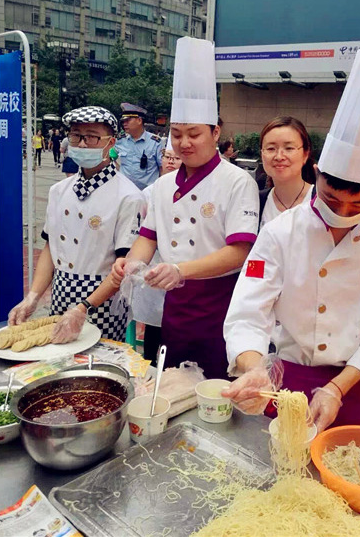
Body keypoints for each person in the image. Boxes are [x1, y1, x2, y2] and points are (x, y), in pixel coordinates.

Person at [222, 50, 360, 434]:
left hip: (354, 379)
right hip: (284, 376)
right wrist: (254, 368)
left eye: (359, 203)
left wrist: (336, 389)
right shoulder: (280, 232)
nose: (343, 211)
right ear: (317, 173)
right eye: (331, 199)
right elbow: (248, 311)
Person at [111, 37, 260, 378]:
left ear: (215, 132)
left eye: (194, 133)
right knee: (175, 385)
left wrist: (181, 271)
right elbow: (148, 237)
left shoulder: (238, 182)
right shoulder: (163, 185)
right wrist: (131, 264)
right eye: (177, 134)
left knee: (219, 393)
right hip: (175, 307)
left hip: (219, 305)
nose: (184, 143)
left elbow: (239, 251)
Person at [8, 106, 145, 343]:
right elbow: (51, 248)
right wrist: (32, 296)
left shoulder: (128, 197)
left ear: (110, 143)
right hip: (60, 292)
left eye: (91, 136)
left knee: (97, 370)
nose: (81, 144)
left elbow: (124, 268)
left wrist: (83, 307)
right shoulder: (59, 191)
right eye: (75, 135)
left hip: (103, 300)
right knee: (58, 365)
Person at [135, 134, 183, 364]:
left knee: (174, 333)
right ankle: (150, 365)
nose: (171, 162)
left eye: (176, 158)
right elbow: (144, 235)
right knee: (154, 324)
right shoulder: (149, 193)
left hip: (182, 272)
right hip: (153, 266)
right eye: (167, 157)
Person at [258, 116, 316, 229]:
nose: (279, 157)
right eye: (270, 148)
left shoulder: (321, 201)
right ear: (261, 154)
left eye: (289, 148)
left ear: (305, 154)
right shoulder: (257, 203)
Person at [115, 103, 163, 190]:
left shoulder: (156, 142)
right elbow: (110, 160)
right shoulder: (120, 140)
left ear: (139, 120)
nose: (124, 124)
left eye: (128, 120)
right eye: (123, 121)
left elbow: (162, 168)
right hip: (125, 190)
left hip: (147, 192)